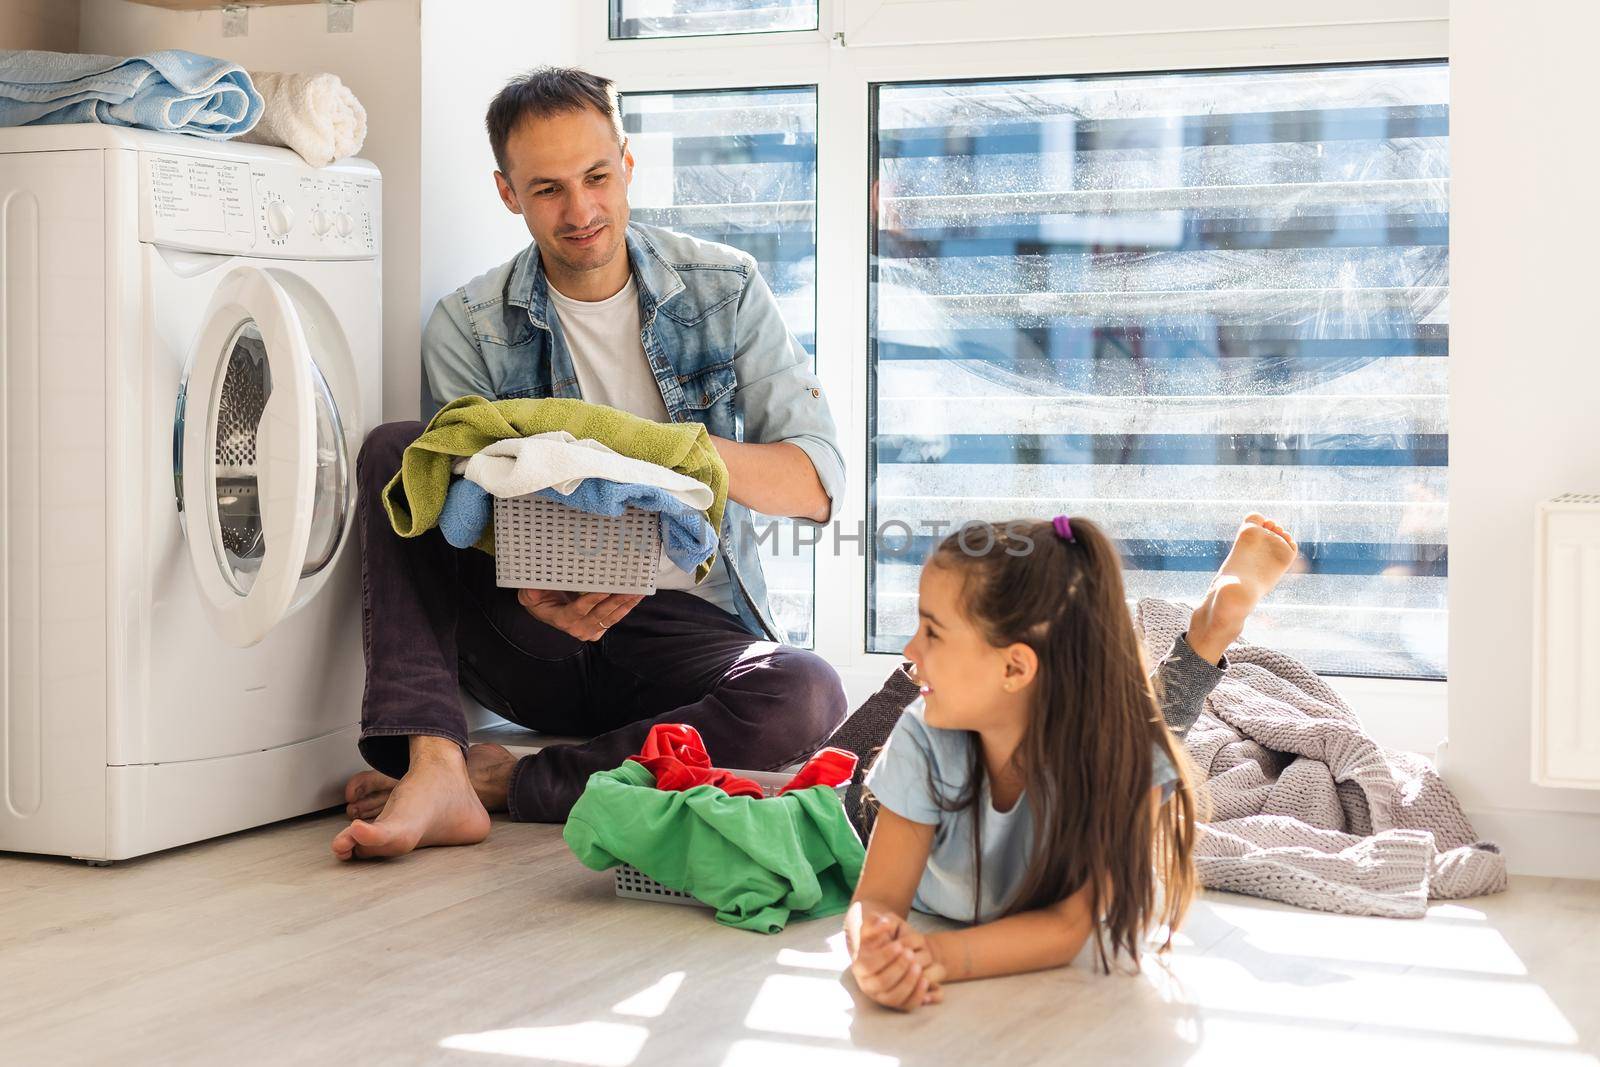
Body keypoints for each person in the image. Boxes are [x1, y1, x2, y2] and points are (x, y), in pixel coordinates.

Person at [332, 67, 848, 860]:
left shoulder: (725, 289)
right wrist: (543, 587)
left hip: (678, 628)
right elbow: (460, 515)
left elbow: (813, 483)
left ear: (628, 166)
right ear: (507, 192)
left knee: (805, 689)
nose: (581, 211)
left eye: (597, 177)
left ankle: (521, 781)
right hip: (531, 627)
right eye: (547, 190)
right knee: (400, 449)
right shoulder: (468, 325)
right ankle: (436, 763)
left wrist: (666, 453)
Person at [845, 514, 1299, 1010]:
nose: (909, 650)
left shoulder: (1124, 762)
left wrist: (934, 956)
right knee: (1139, 727)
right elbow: (877, 902)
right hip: (907, 803)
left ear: (1015, 665)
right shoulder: (924, 734)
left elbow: (1066, 927)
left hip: (1086, 749)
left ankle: (1210, 631)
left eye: (931, 632)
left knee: (1139, 737)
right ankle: (1206, 635)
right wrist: (873, 952)